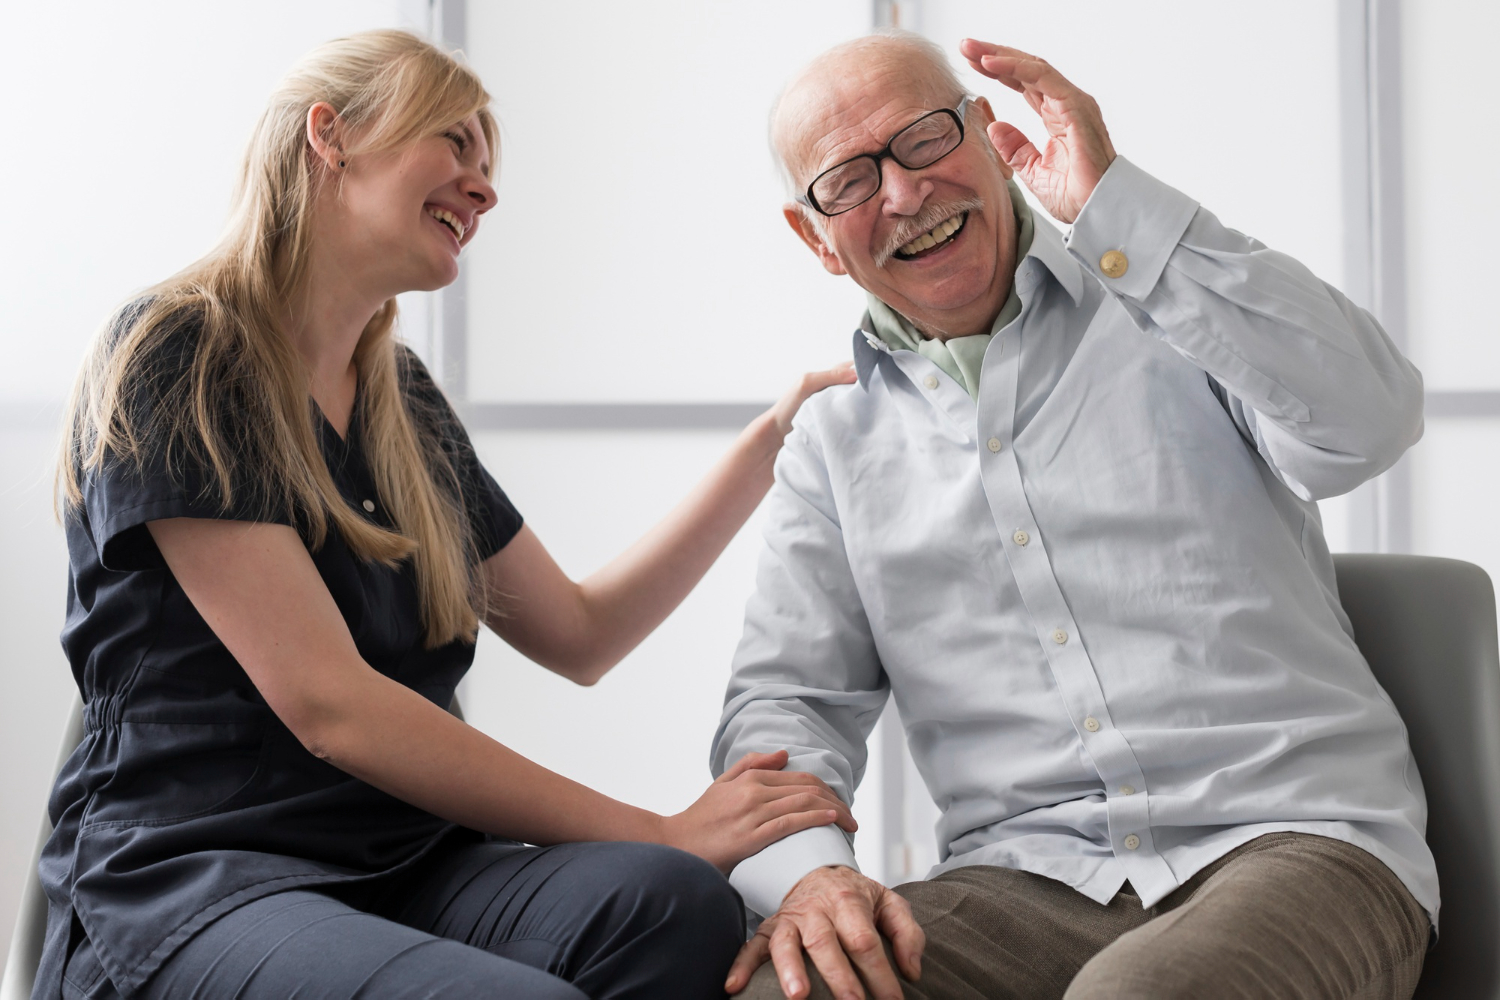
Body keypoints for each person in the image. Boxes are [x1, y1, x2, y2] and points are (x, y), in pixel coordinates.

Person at [42, 29, 858, 1000]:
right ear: (331, 138)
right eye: (456, 142)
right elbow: (329, 705)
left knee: (676, 901)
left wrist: (771, 446)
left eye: (488, 161)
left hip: (405, 861)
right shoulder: (182, 350)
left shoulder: (402, 403)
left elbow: (580, 632)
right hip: (203, 874)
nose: (485, 186)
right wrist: (659, 821)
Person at [713, 30, 1437, 1000]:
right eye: (848, 180)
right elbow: (785, 710)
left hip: (1295, 842)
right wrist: (810, 874)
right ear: (815, 237)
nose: (903, 193)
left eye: (924, 139)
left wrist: (1116, 208)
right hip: (1024, 877)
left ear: (985, 131)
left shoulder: (1174, 308)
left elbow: (1371, 420)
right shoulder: (833, 447)